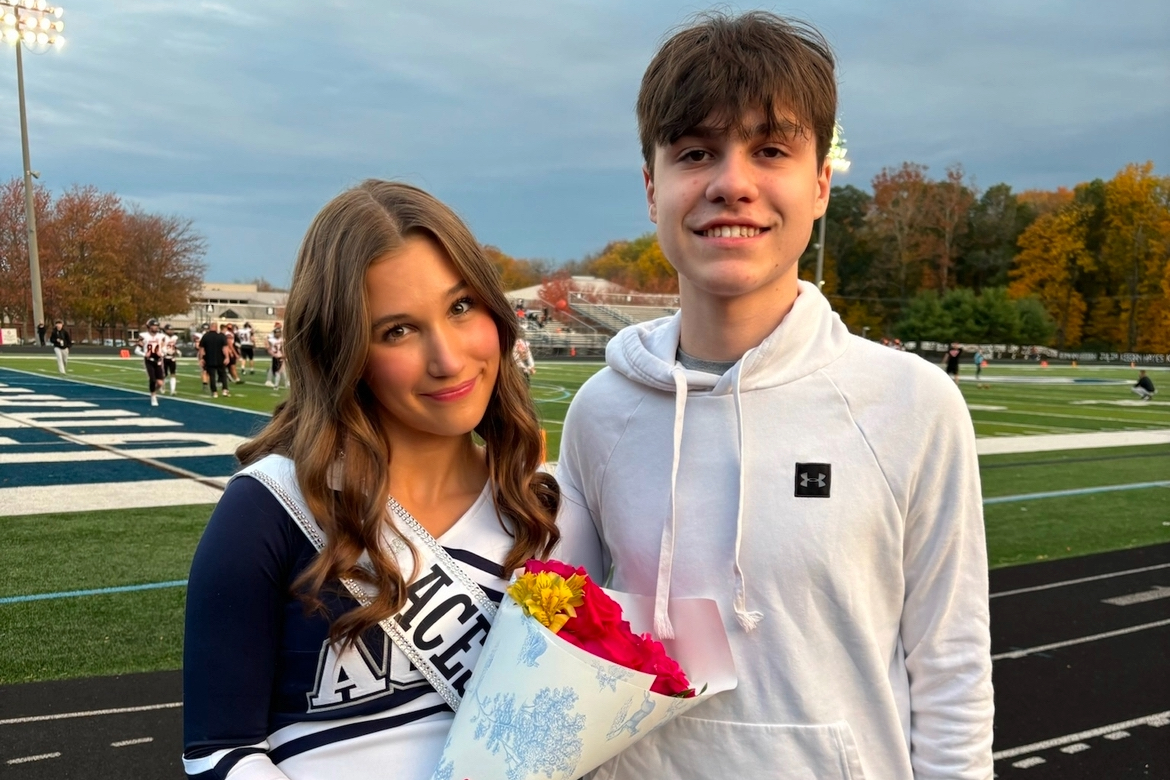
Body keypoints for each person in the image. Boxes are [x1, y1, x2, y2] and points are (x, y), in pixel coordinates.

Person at [556, 12, 992, 779]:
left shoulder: (912, 405)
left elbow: (951, 671)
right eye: (696, 152)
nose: (731, 183)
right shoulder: (602, 410)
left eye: (770, 150)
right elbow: (562, 640)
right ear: (652, 187)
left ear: (821, 182)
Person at [182, 180, 600, 780]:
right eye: (397, 330)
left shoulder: (553, 515)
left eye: (461, 307)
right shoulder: (271, 509)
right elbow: (218, 752)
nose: (449, 360)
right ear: (343, 351)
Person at [138, 318, 167, 407]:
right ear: (149, 327)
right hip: (149, 360)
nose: (155, 327)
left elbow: (164, 349)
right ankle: (153, 396)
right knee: (152, 379)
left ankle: (153, 391)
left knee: (160, 383)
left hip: (158, 360)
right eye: (153, 326)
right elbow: (137, 350)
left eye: (156, 326)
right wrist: (144, 354)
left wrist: (162, 353)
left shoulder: (161, 336)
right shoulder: (143, 336)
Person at [199, 321, 230, 398]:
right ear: (216, 328)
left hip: (209, 358)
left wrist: (201, 358)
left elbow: (201, 349)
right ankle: (225, 390)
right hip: (220, 358)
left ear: (210, 327)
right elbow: (225, 348)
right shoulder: (221, 336)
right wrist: (227, 357)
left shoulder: (205, 336)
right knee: (223, 374)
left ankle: (214, 392)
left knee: (212, 376)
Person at [266, 323, 287, 389]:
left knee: (279, 371)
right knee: (279, 371)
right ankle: (285, 383)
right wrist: (273, 354)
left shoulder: (282, 340)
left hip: (280, 356)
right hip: (276, 356)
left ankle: (276, 385)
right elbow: (268, 348)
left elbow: (284, 348)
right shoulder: (271, 339)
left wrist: (284, 355)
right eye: (277, 333)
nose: (278, 334)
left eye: (279, 333)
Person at [162, 324, 180, 395]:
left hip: (172, 357)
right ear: (165, 330)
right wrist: (166, 351)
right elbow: (161, 346)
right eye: (169, 330)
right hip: (164, 357)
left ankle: (172, 390)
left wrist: (177, 351)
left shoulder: (175, 337)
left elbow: (174, 346)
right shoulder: (163, 337)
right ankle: (162, 386)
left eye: (171, 329)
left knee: (173, 373)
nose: (170, 331)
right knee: (164, 374)